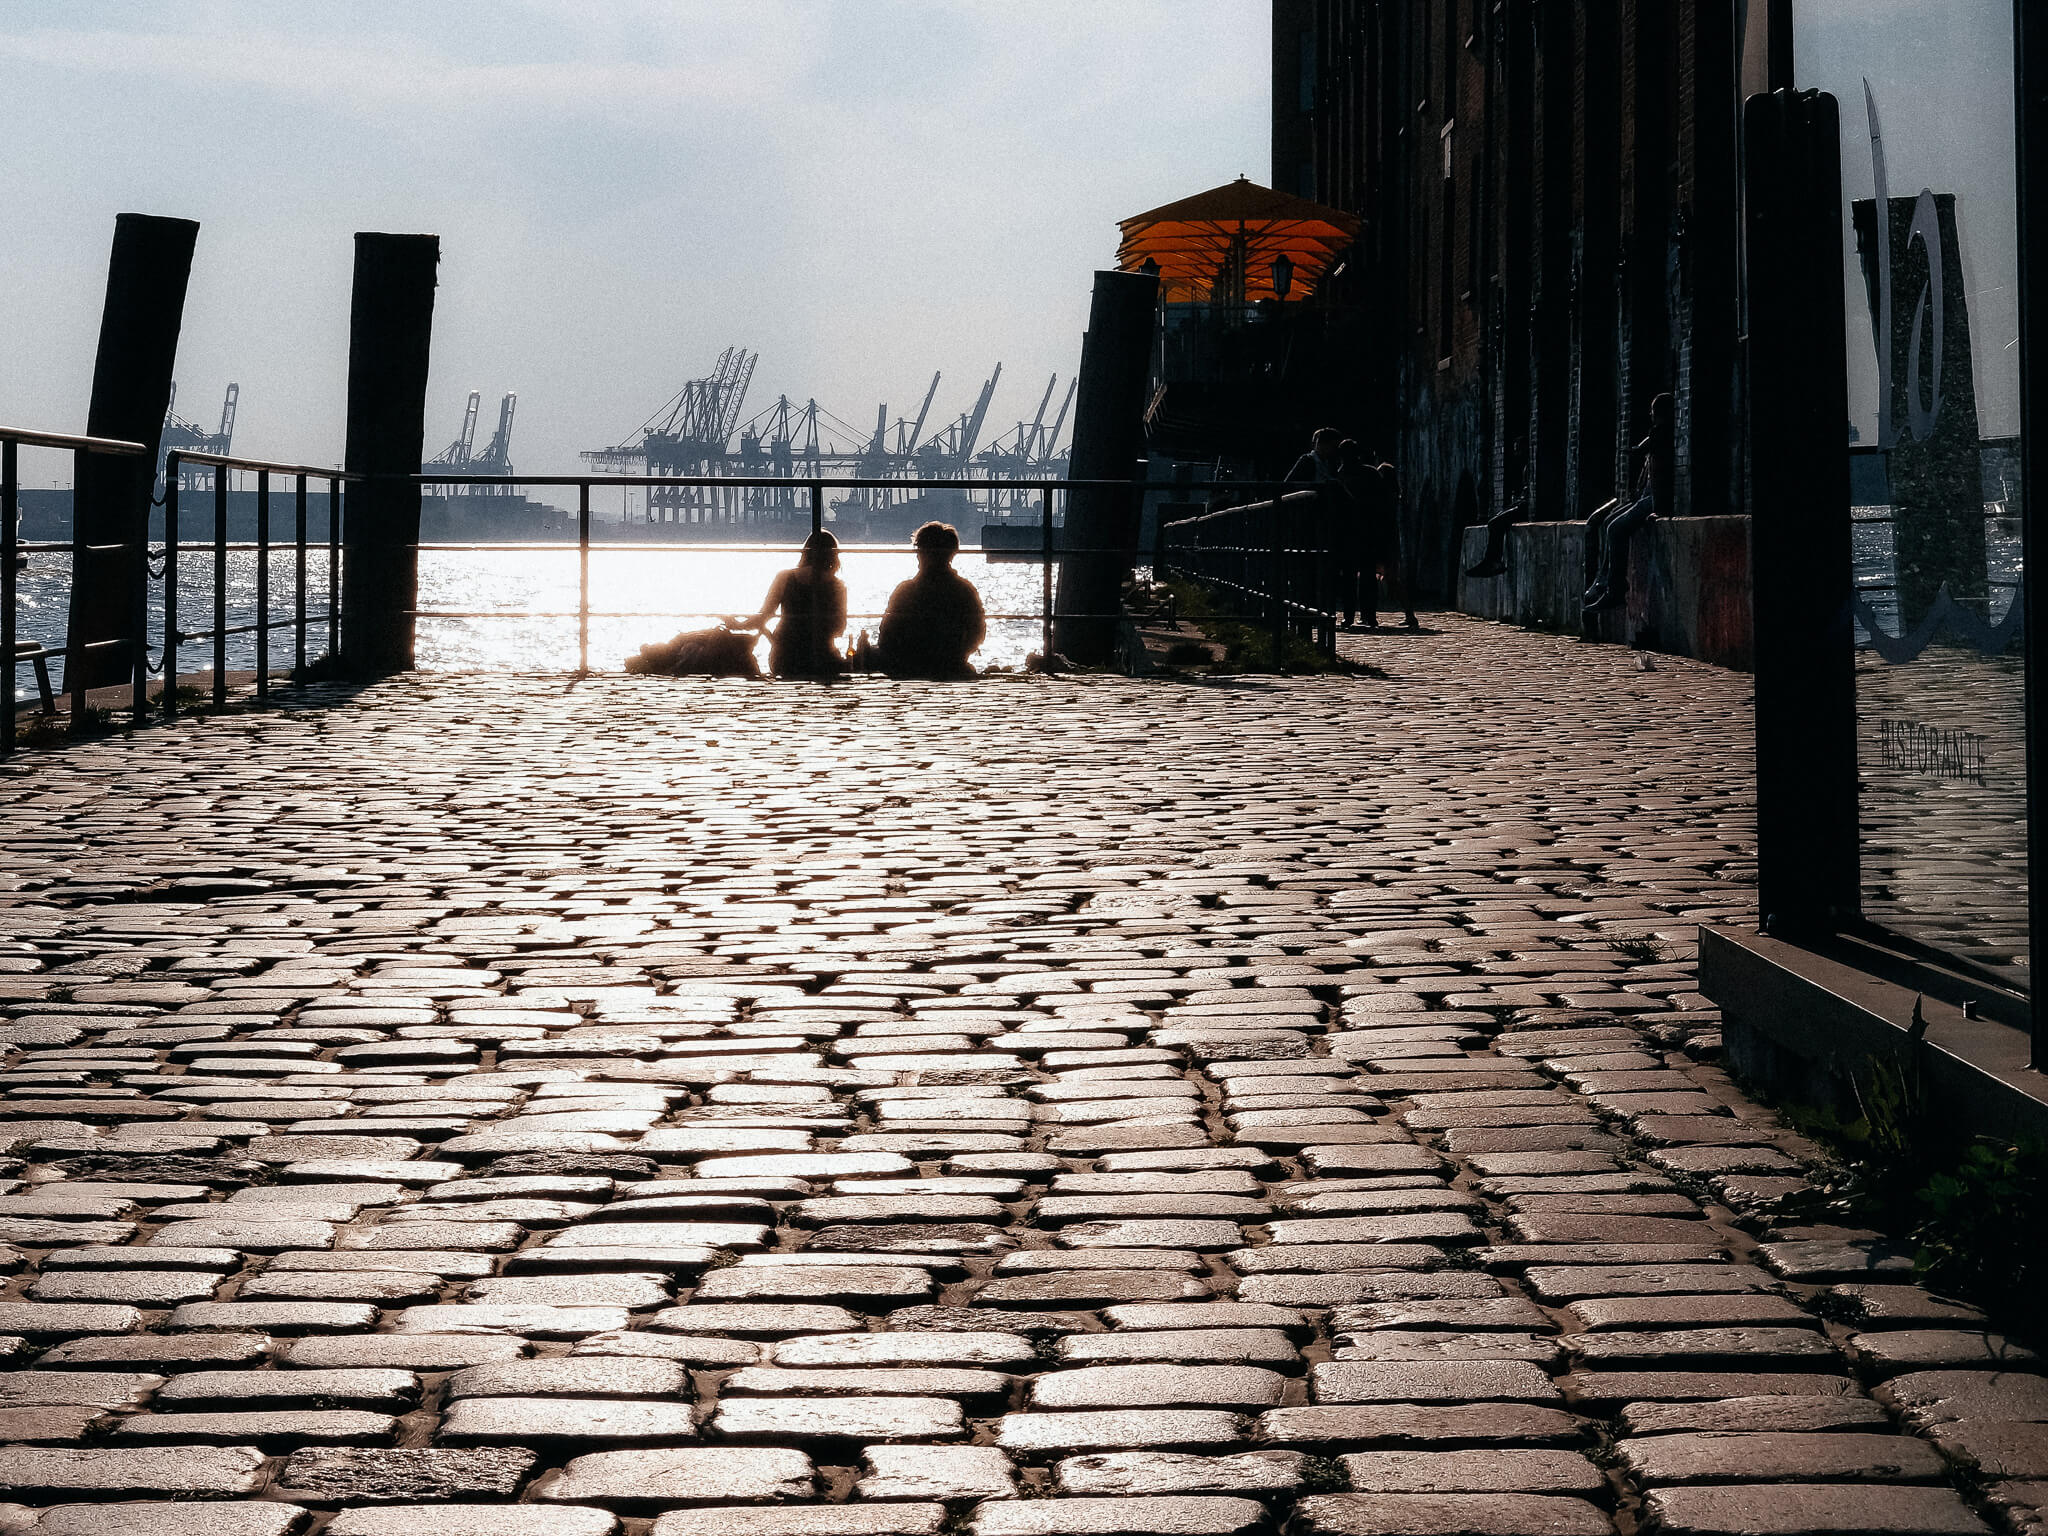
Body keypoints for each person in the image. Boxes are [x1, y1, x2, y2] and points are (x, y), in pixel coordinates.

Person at [1583, 393, 1674, 614]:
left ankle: (1614, 588)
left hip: (1657, 499)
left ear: (1659, 413)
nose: (1651, 416)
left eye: (1653, 412)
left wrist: (1634, 450)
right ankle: (1603, 582)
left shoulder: (1663, 433)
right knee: (1609, 521)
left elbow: (1646, 447)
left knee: (1615, 528)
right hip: (1647, 495)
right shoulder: (1662, 434)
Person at [859, 521, 986, 679]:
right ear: (952, 553)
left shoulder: (905, 591)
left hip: (908, 664)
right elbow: (978, 632)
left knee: (865, 655)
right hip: (951, 662)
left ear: (921, 551)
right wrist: (957, 654)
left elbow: (886, 637)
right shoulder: (966, 590)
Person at [737, 528, 847, 678]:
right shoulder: (837, 585)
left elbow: (762, 618)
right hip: (822, 657)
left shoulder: (784, 577)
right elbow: (839, 629)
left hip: (784, 658)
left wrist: (740, 625)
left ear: (805, 552)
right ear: (833, 555)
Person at [1465, 436, 1529, 578]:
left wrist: (1518, 502)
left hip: (1526, 507)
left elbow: (1529, 496)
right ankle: (1491, 560)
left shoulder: (1529, 466)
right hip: (1522, 503)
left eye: (1518, 448)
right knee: (1494, 520)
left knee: (1495, 522)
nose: (1515, 452)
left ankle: (1494, 561)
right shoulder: (1524, 466)